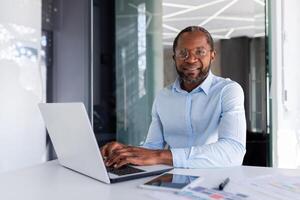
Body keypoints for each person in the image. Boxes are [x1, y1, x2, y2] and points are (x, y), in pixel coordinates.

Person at [101, 26, 246, 169]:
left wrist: (161, 156)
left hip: (213, 180)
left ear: (212, 55)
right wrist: (126, 151)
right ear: (174, 57)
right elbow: (152, 148)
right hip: (171, 180)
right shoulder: (163, 97)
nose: (190, 60)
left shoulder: (228, 91)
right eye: (183, 53)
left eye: (200, 52)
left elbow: (234, 152)